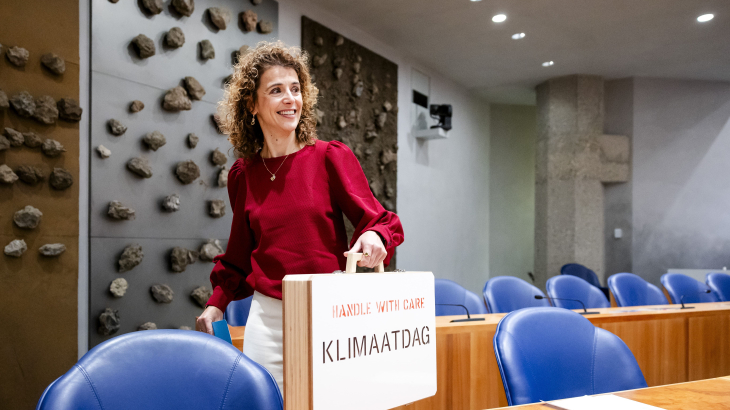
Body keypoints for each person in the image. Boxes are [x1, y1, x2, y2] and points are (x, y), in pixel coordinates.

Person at [195, 41, 404, 392]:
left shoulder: (328, 157)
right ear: (252, 104)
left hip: (329, 314)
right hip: (268, 320)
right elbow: (240, 255)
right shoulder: (243, 175)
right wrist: (217, 304)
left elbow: (379, 220)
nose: (290, 99)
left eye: (295, 89)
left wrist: (375, 236)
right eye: (276, 91)